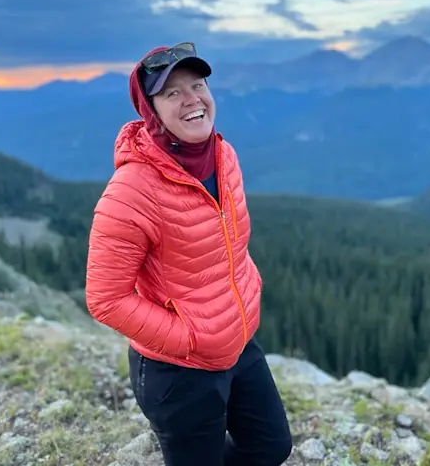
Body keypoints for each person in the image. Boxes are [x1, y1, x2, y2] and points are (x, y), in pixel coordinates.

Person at [84, 42, 293, 466]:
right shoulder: (130, 192)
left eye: (197, 85)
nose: (192, 99)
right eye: (172, 93)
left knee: (271, 446)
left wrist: (246, 292)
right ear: (151, 110)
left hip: (238, 343)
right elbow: (106, 299)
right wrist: (191, 337)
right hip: (178, 369)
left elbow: (227, 247)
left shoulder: (224, 157)